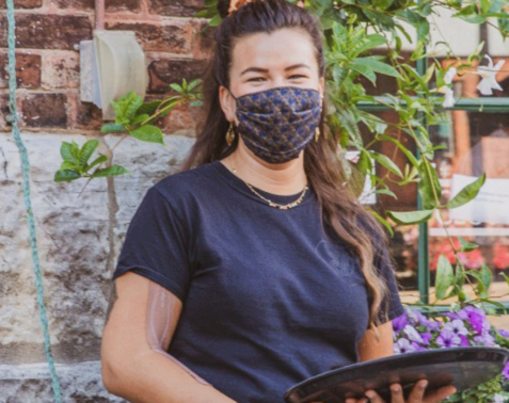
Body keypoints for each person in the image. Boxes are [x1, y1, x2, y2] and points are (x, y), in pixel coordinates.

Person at [100, 1, 458, 403]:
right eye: (257, 79)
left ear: (320, 90)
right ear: (228, 102)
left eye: (295, 76)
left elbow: (374, 375)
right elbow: (128, 360)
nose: (281, 93)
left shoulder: (356, 228)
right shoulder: (181, 205)